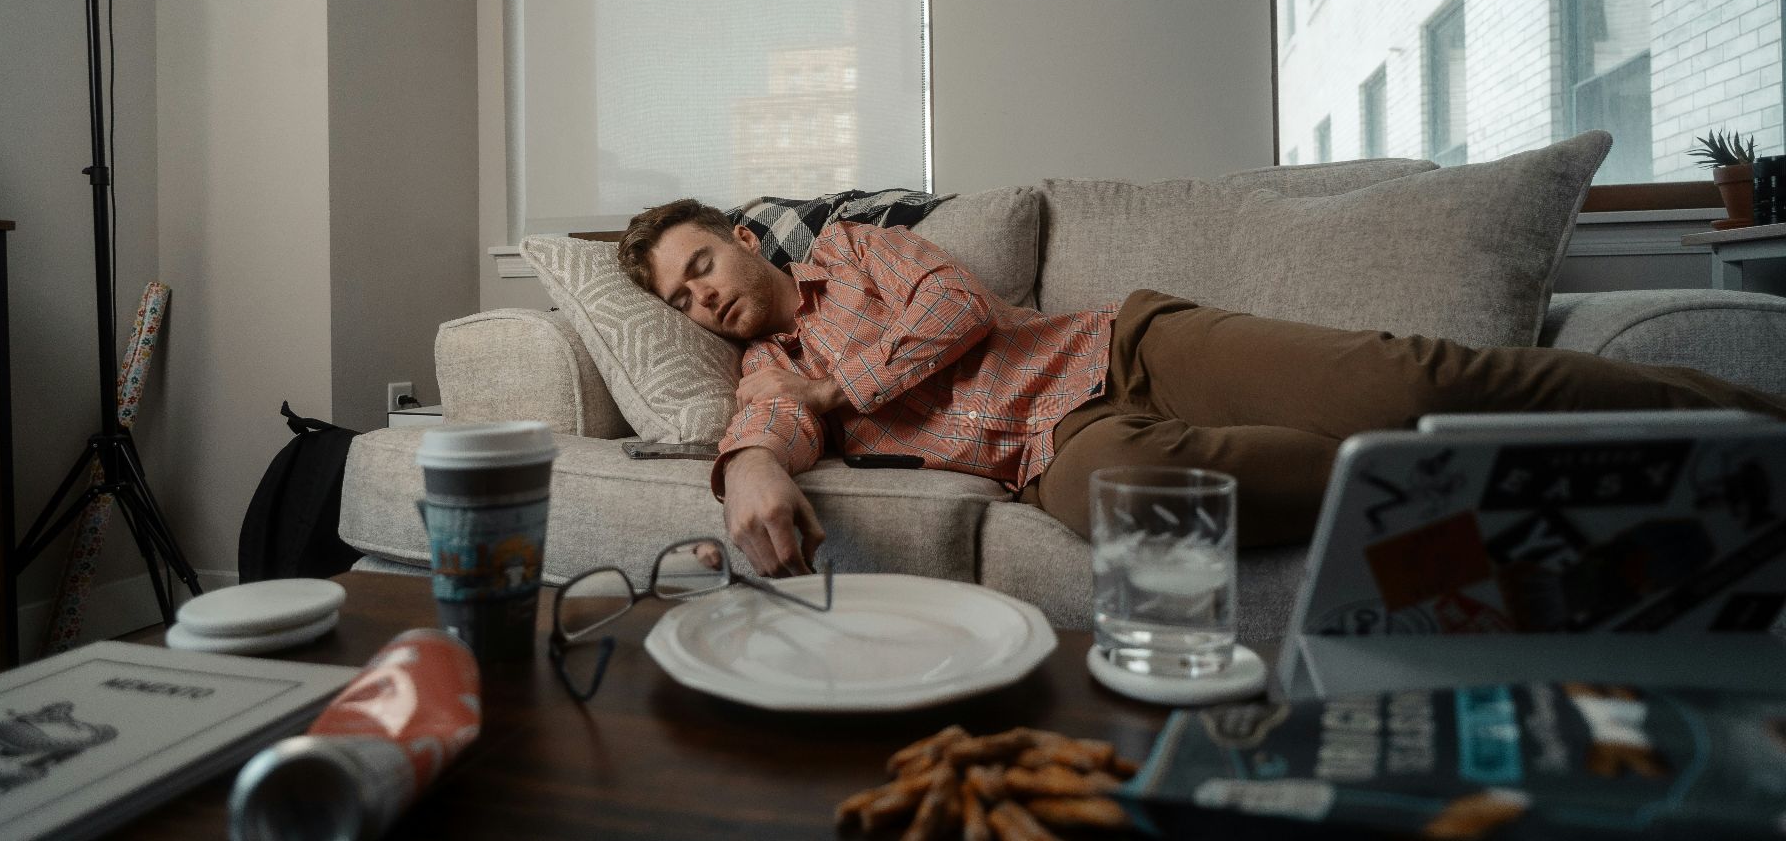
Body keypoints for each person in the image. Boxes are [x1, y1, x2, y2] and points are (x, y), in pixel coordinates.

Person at [616, 199, 1786, 577]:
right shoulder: (768, 377)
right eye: (679, 299)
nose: (701, 299)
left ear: (740, 239)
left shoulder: (860, 248)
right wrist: (757, 463)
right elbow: (763, 430)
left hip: (1126, 348)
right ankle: (1560, 498)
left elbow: (959, 312)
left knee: (1405, 382)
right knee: (1134, 507)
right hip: (1051, 450)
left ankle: (1753, 433)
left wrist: (842, 393)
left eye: (700, 266)